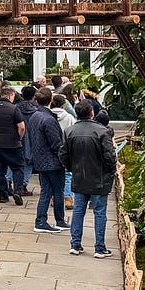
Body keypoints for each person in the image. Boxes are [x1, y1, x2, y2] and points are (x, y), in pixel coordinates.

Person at [60, 99, 117, 258]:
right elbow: (109, 156)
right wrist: (110, 171)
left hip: (79, 176)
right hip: (99, 178)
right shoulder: (102, 131)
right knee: (100, 213)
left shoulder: (70, 131)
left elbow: (63, 154)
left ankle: (75, 244)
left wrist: (71, 167)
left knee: (78, 211)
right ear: (92, 113)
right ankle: (100, 248)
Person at [24, 88, 69, 233]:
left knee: (47, 191)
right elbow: (56, 144)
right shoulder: (49, 119)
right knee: (56, 191)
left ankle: (44, 220)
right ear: (51, 100)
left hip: (40, 159)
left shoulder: (34, 116)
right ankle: (52, 220)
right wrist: (65, 159)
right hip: (52, 161)